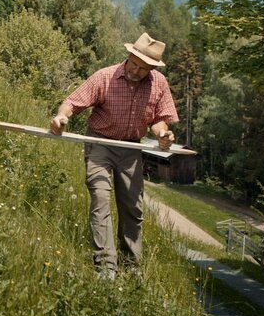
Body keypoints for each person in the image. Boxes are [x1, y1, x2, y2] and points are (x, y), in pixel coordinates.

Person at [49, 32, 179, 281]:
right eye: (134, 63)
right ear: (128, 56)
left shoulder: (159, 84)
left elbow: (160, 120)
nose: (137, 71)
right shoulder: (105, 77)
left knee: (132, 208)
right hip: (100, 144)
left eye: (144, 68)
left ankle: (131, 265)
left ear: (152, 68)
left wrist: (163, 135)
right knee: (100, 198)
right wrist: (61, 118)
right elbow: (72, 103)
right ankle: (106, 267)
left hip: (131, 148)